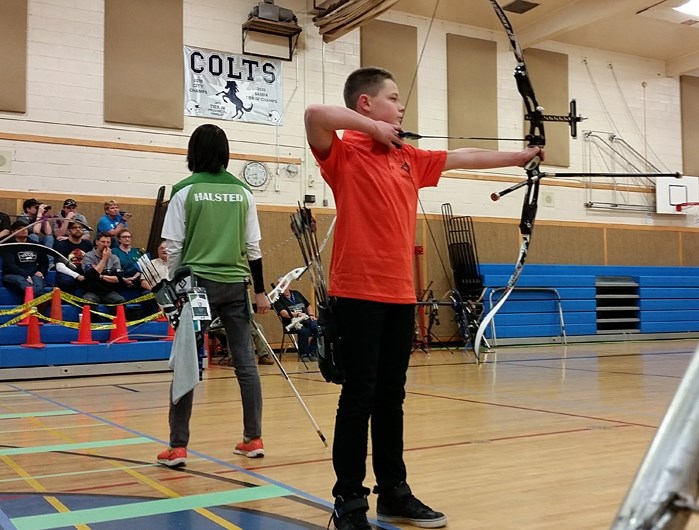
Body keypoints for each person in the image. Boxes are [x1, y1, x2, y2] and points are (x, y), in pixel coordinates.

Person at [304, 66, 544, 530]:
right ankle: (349, 500)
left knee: (391, 396)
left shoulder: (408, 158)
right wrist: (373, 130)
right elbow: (316, 113)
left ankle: (393, 491)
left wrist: (520, 157)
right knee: (359, 395)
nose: (402, 107)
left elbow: (461, 156)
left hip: (399, 294)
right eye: (393, 99)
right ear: (366, 104)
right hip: (356, 291)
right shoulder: (343, 152)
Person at [156, 123, 271, 468]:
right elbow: (253, 248)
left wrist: (174, 283)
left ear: (194, 152)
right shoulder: (243, 192)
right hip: (236, 285)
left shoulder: (184, 191)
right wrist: (262, 290)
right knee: (246, 364)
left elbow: (173, 247)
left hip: (197, 286)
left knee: (187, 362)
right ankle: (253, 439)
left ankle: (178, 446)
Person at [0, 219, 52, 298]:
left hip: (33, 274)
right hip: (13, 275)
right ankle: (41, 297)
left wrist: (41, 271)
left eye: (26, 228)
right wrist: (26, 275)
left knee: (38, 281)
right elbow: (10, 266)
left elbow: (44, 262)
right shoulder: (8, 246)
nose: (24, 230)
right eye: (20, 228)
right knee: (21, 281)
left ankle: (32, 300)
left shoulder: (35, 245)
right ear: (13, 232)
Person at [273, 282, 318, 361]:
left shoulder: (296, 293)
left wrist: (311, 315)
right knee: (304, 330)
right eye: (281, 286)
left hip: (306, 319)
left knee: (318, 327)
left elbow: (308, 305)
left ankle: (313, 351)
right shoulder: (278, 299)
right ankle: (304, 354)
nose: (284, 287)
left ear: (289, 285)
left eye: (285, 285)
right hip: (292, 323)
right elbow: (283, 313)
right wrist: (297, 314)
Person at [80, 233, 126, 305]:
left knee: (120, 301)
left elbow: (118, 279)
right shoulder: (88, 256)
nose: (105, 245)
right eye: (103, 242)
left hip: (109, 291)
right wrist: (104, 258)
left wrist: (101, 276)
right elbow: (91, 276)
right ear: (97, 242)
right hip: (92, 291)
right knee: (87, 301)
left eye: (108, 242)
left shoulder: (114, 258)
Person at [53, 221, 93, 295]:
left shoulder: (88, 244)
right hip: (67, 273)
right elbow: (59, 266)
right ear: (69, 231)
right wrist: (76, 276)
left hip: (84, 272)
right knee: (66, 281)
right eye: (74, 227)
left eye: (80, 227)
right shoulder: (61, 244)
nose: (78, 229)